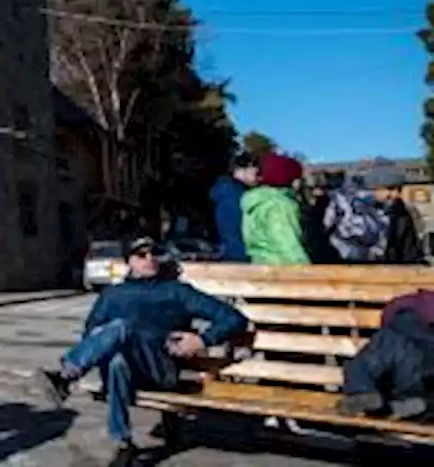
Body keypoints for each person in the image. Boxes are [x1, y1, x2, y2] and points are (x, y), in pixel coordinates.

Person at [35, 237, 247, 466]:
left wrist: (204, 339)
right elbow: (91, 335)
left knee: (123, 326)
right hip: (124, 372)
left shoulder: (176, 291)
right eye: (141, 255)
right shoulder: (113, 295)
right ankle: (123, 444)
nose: (150, 259)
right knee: (117, 359)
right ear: (129, 262)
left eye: (154, 253)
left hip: (159, 368)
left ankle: (66, 376)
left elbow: (233, 318)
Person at [339, 289, 434, 419]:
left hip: (402, 371)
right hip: (412, 371)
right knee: (388, 344)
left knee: (385, 344)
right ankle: (417, 404)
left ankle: (362, 390)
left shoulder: (410, 309)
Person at [241, 153, 311, 265]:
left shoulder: (255, 202)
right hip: (282, 269)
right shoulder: (280, 205)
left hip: (259, 264)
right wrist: (305, 269)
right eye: (297, 177)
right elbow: (287, 242)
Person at [363, 165, 426, 264]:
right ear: (374, 189)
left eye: (399, 190)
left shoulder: (402, 214)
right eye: (390, 188)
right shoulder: (357, 213)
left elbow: (410, 251)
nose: (395, 194)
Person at [209, 152, 258, 262]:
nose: (258, 176)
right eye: (255, 171)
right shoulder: (232, 194)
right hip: (236, 255)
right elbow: (233, 229)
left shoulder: (229, 191)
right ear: (245, 168)